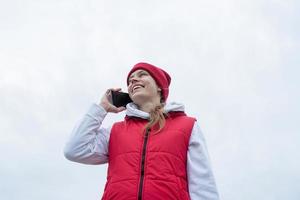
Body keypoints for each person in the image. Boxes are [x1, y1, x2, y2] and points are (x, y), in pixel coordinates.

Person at [64, 62, 220, 200]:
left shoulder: (187, 126)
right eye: (130, 79)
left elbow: (203, 185)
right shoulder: (115, 131)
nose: (133, 80)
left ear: (159, 86)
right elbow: (74, 150)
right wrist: (101, 108)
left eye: (142, 74)